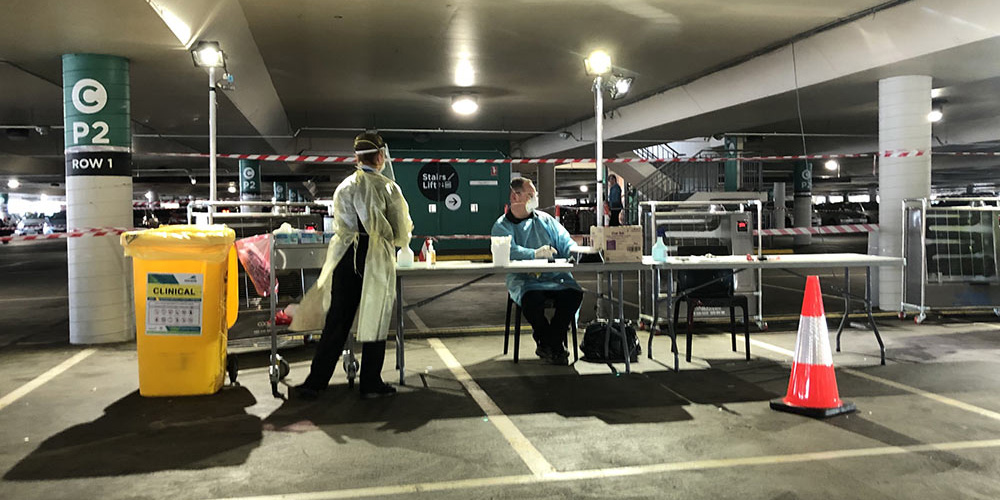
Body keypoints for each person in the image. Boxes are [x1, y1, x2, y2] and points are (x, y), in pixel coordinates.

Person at [290, 132, 413, 400]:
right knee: (375, 318)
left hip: (347, 257)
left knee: (338, 320)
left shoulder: (344, 186)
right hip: (376, 258)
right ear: (380, 156)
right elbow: (401, 230)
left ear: (356, 158)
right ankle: (371, 382)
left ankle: (316, 382)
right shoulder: (389, 188)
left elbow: (341, 225)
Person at [492, 178, 583, 365]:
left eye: (535, 195)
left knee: (574, 294)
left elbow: (564, 240)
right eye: (531, 195)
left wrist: (577, 252)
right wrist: (534, 254)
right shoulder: (501, 226)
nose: (535, 199)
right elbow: (507, 250)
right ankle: (551, 343)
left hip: (555, 277)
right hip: (525, 280)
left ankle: (549, 342)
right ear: (514, 196)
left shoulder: (545, 220)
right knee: (532, 300)